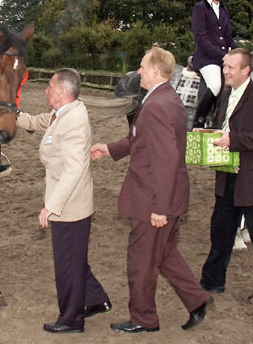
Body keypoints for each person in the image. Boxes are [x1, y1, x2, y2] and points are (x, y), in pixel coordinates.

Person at [91, 47, 212, 333]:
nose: (139, 71)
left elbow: (167, 160)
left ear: (156, 71)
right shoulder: (166, 98)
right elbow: (141, 139)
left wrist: (160, 208)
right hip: (170, 195)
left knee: (142, 260)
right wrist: (109, 149)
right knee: (166, 253)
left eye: (143, 67)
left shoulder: (157, 105)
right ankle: (198, 299)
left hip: (155, 199)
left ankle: (143, 318)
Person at [17, 68, 111, 334]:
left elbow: (74, 169)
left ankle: (71, 320)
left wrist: (51, 207)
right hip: (69, 201)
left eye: (49, 86)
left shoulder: (73, 122)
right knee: (74, 256)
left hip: (70, 206)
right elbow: (38, 122)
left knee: (67, 263)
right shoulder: (63, 114)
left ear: (61, 91)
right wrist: (12, 116)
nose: (46, 90)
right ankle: (95, 299)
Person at [200, 47, 253, 302]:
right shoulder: (226, 94)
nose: (225, 71)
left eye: (229, 68)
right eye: (224, 67)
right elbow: (224, 127)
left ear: (245, 70)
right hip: (228, 174)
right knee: (221, 229)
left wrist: (233, 140)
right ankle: (212, 280)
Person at [191, 0, 238, 128]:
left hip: (222, 57)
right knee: (216, 84)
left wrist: (239, 53)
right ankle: (199, 120)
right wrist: (223, 55)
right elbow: (201, 38)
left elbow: (228, 36)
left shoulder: (224, 9)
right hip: (206, 58)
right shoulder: (200, 8)